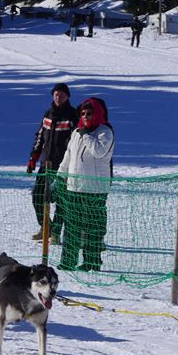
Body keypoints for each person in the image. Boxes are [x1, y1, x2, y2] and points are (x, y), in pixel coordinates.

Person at [57, 98, 114, 271]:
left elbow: (98, 152)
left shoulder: (105, 132)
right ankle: (67, 262)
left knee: (93, 229)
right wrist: (59, 177)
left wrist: (86, 134)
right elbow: (68, 157)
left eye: (89, 113)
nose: (86, 116)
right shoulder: (76, 133)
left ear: (97, 114)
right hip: (74, 188)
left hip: (95, 190)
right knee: (71, 227)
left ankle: (91, 262)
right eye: (83, 114)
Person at [27, 83, 78, 243]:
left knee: (60, 200)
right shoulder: (48, 113)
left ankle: (55, 233)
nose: (58, 97)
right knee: (38, 196)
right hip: (45, 164)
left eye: (61, 94)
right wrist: (33, 157)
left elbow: (75, 142)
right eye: (56, 94)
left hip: (63, 166)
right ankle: (45, 227)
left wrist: (70, 164)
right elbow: (40, 137)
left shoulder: (72, 115)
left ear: (67, 96)